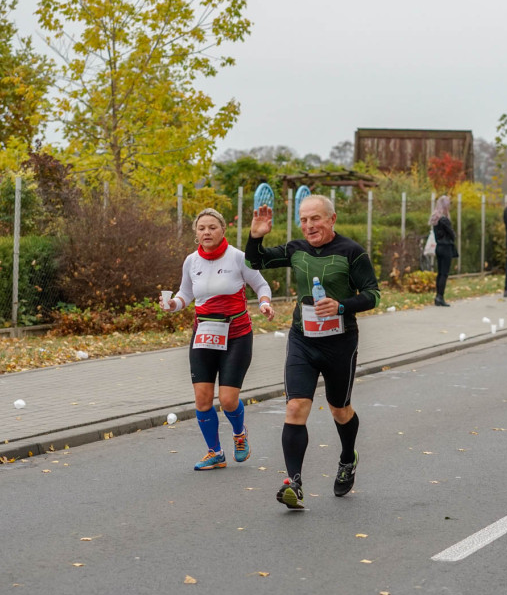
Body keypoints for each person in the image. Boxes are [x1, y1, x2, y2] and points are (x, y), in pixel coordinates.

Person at [246, 195, 381, 510]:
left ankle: (348, 458)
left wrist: (342, 305)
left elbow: (373, 295)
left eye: (315, 219)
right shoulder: (296, 249)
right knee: (295, 408)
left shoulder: (352, 252)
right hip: (302, 340)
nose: (309, 226)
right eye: (304, 220)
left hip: (340, 342)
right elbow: (255, 262)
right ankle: (294, 483)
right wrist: (256, 236)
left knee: (339, 409)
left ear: (331, 219)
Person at [162, 208, 275, 471]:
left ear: (223, 230)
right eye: (202, 228)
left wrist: (265, 303)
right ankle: (214, 452)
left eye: (212, 227)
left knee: (227, 399)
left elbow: (261, 285)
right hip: (204, 335)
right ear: (196, 234)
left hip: (236, 336)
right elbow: (185, 294)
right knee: (202, 399)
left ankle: (239, 433)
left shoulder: (238, 258)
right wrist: (172, 305)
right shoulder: (191, 261)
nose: (207, 232)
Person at [429, 196, 457, 307]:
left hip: (438, 247)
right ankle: (440, 296)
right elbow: (452, 234)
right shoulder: (444, 219)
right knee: (444, 273)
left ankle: (438, 296)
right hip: (446, 248)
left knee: (440, 273)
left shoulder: (435, 218)